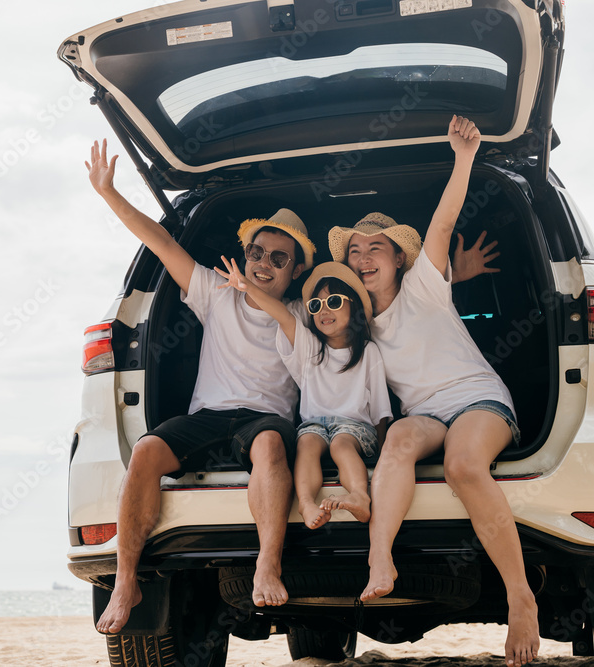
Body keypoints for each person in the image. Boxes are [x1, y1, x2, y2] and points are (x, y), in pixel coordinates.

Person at [328, 116, 539, 667]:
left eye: (377, 247)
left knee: (464, 467)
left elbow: (442, 224)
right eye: (355, 250)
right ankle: (381, 561)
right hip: (427, 416)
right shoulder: (353, 322)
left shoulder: (424, 283)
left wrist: (464, 157)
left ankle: (521, 596)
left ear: (399, 258)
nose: (365, 255)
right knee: (398, 438)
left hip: (477, 402)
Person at [85, 139, 315, 633]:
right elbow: (161, 243)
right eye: (257, 252)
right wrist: (109, 193)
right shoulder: (214, 291)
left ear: (296, 271)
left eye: (279, 258)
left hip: (263, 422)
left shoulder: (298, 314)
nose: (263, 263)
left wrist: (249, 288)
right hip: (207, 416)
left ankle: (266, 564)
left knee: (272, 445)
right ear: (245, 252)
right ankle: (127, 580)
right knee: (145, 450)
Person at [215, 259, 391, 529]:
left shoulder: (368, 352)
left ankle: (360, 496)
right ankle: (306, 502)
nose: (323, 310)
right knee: (306, 445)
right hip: (313, 426)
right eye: (315, 305)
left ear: (353, 306)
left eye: (333, 302)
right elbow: (283, 315)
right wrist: (247, 287)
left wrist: (381, 455)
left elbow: (380, 409)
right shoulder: (309, 348)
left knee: (341, 444)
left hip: (355, 428)